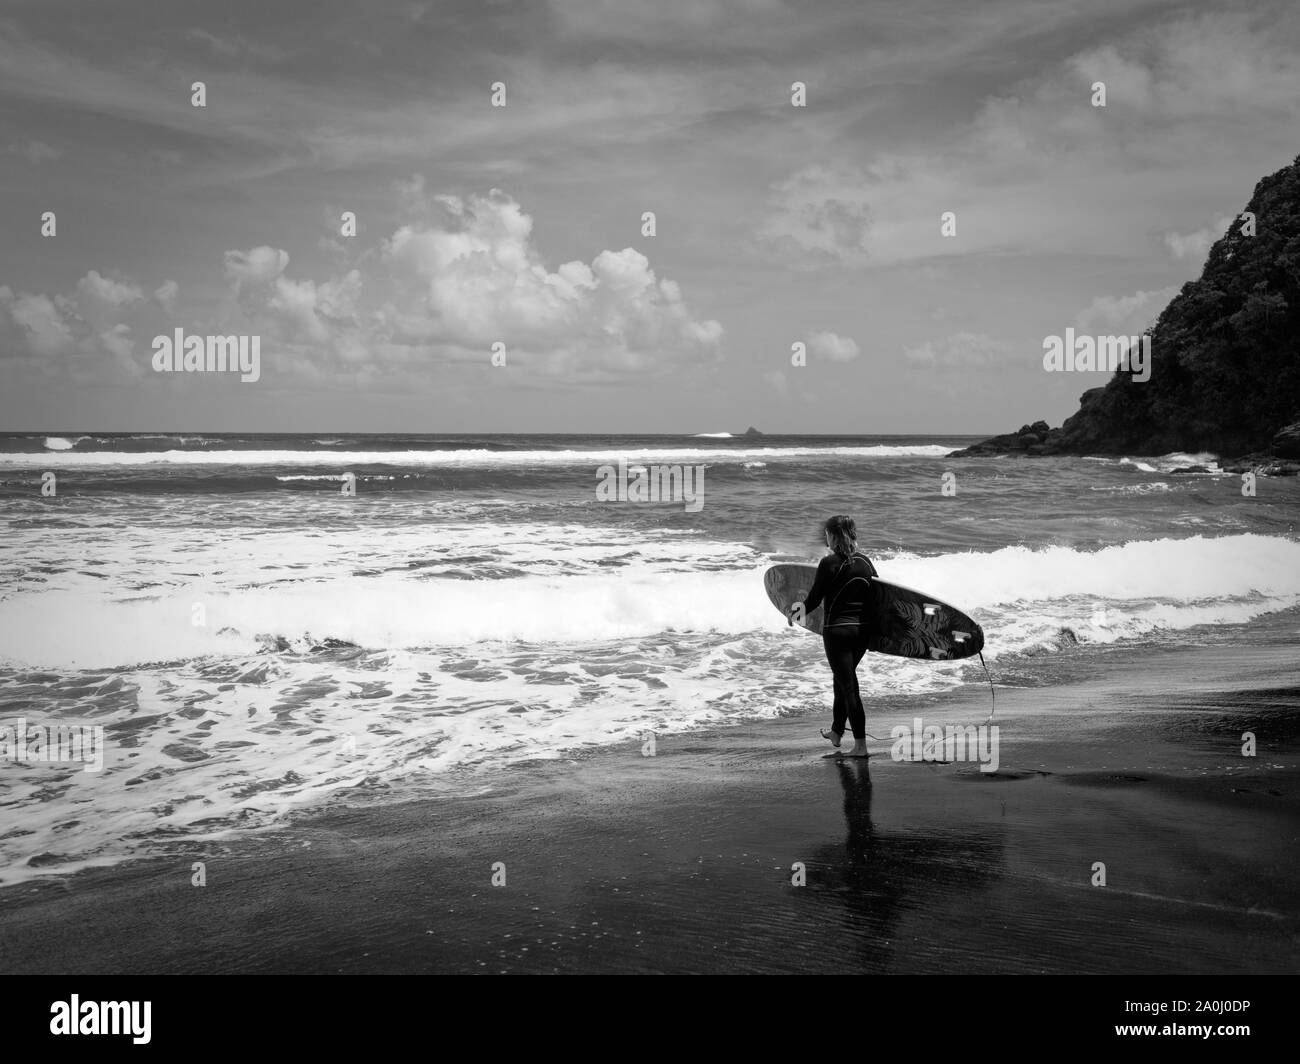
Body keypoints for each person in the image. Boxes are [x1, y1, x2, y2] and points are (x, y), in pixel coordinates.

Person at [787, 515, 877, 758]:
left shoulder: (829, 563)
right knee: (842, 681)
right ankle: (837, 732)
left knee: (849, 687)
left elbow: (814, 599)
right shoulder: (866, 563)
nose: (825, 537)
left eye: (827, 533)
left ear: (834, 536)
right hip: (861, 632)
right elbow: (878, 598)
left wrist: (797, 612)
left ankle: (860, 747)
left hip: (837, 632)